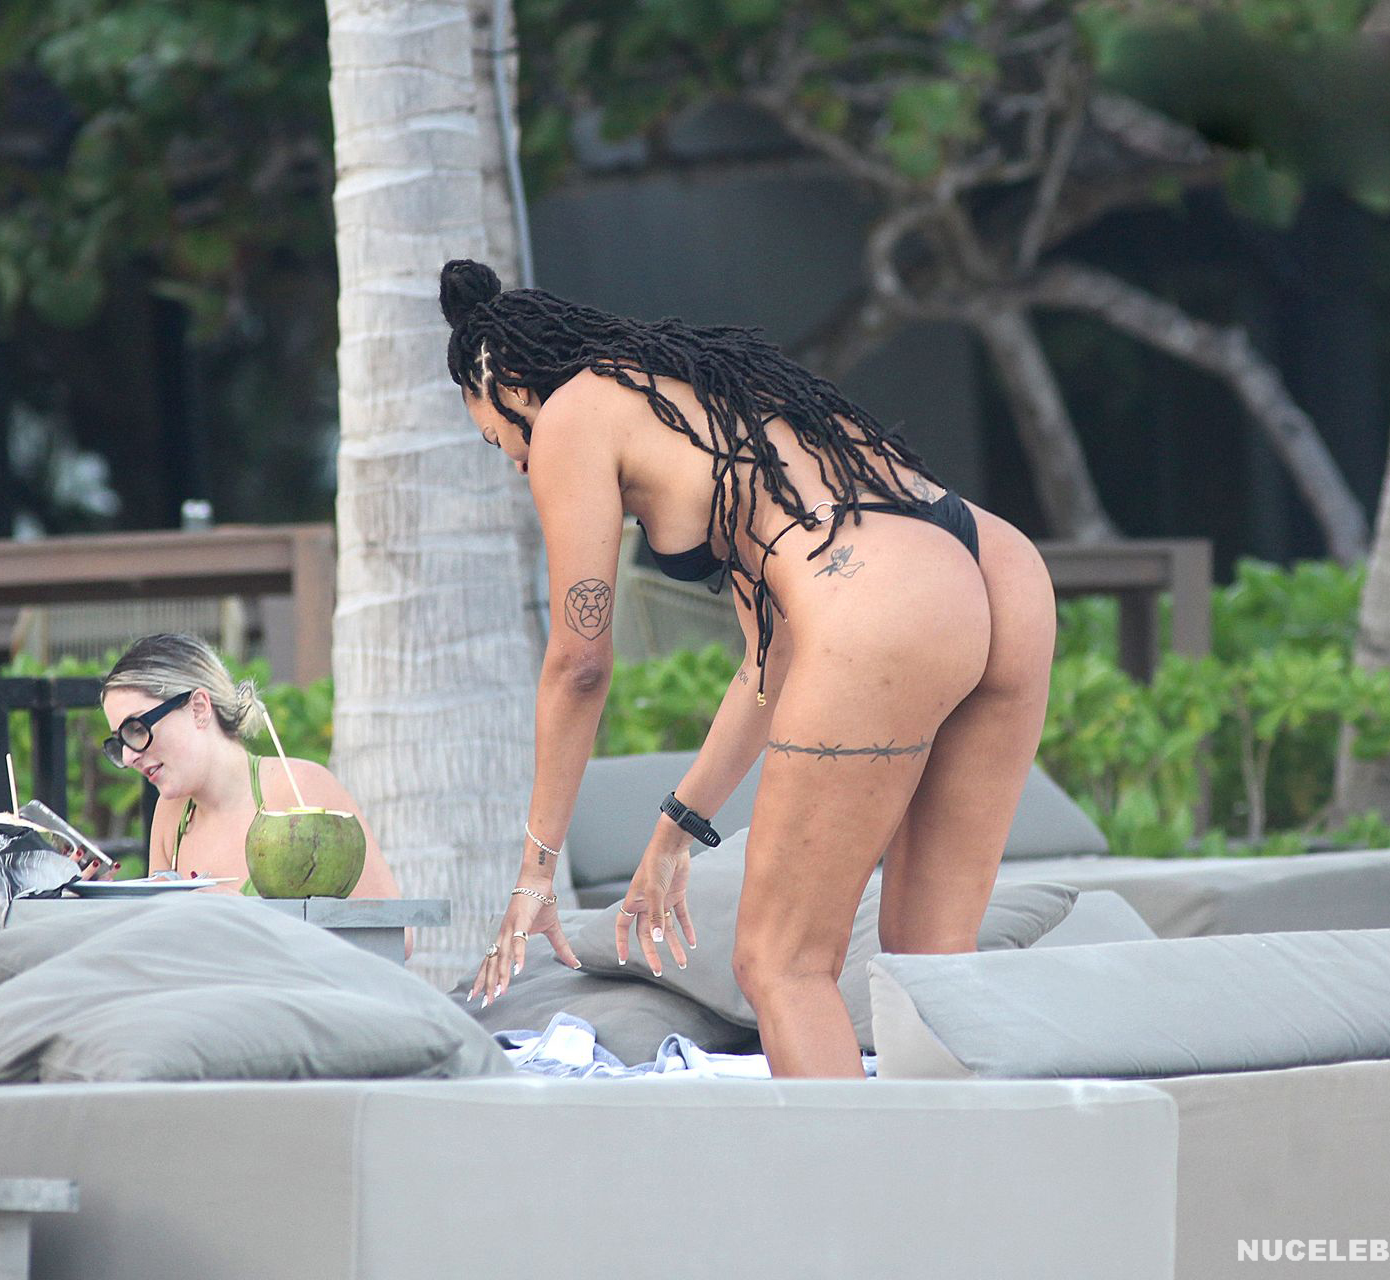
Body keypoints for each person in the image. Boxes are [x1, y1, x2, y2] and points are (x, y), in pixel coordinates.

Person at [446, 259, 1056, 1079]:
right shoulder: (707, 397)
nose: (519, 465)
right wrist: (677, 827)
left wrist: (536, 872)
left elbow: (578, 662)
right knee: (929, 963)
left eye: (500, 442)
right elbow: (771, 665)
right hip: (994, 562)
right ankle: (957, 1164)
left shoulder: (567, 418)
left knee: (780, 965)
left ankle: (846, 1170)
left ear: (512, 385)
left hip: (884, 594)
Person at [98, 633, 401, 898]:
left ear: (199, 708)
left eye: (136, 729)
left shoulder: (299, 789)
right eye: (119, 742)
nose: (128, 757)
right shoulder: (171, 812)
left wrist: (246, 915)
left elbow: (395, 931)